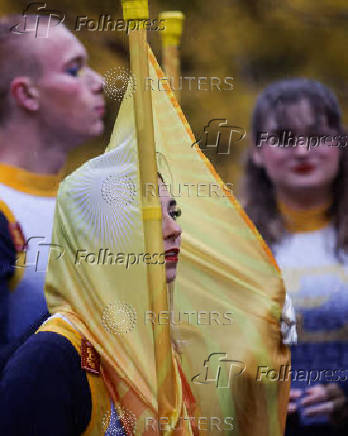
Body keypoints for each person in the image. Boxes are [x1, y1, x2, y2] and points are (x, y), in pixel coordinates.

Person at [0, 173, 183, 436]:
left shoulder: (163, 346)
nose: (174, 229)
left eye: (173, 214)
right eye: (151, 218)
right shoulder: (49, 359)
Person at [242, 78, 348, 435]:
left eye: (317, 135)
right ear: (257, 151)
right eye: (285, 137)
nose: (302, 150)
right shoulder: (232, 244)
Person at [0, 14, 104, 343]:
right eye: (74, 69)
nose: (99, 81)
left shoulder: (92, 206)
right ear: (27, 95)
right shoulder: (4, 210)